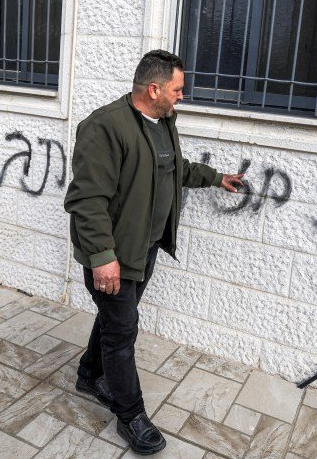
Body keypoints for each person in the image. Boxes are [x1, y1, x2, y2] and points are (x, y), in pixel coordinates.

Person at [64, 50, 244, 455]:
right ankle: (131, 414)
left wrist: (218, 178)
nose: (183, 96)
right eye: (178, 89)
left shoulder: (163, 123)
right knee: (123, 330)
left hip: (145, 249)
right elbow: (87, 200)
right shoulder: (104, 128)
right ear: (154, 88)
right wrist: (102, 257)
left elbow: (175, 168)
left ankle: (89, 374)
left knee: (114, 320)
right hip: (114, 255)